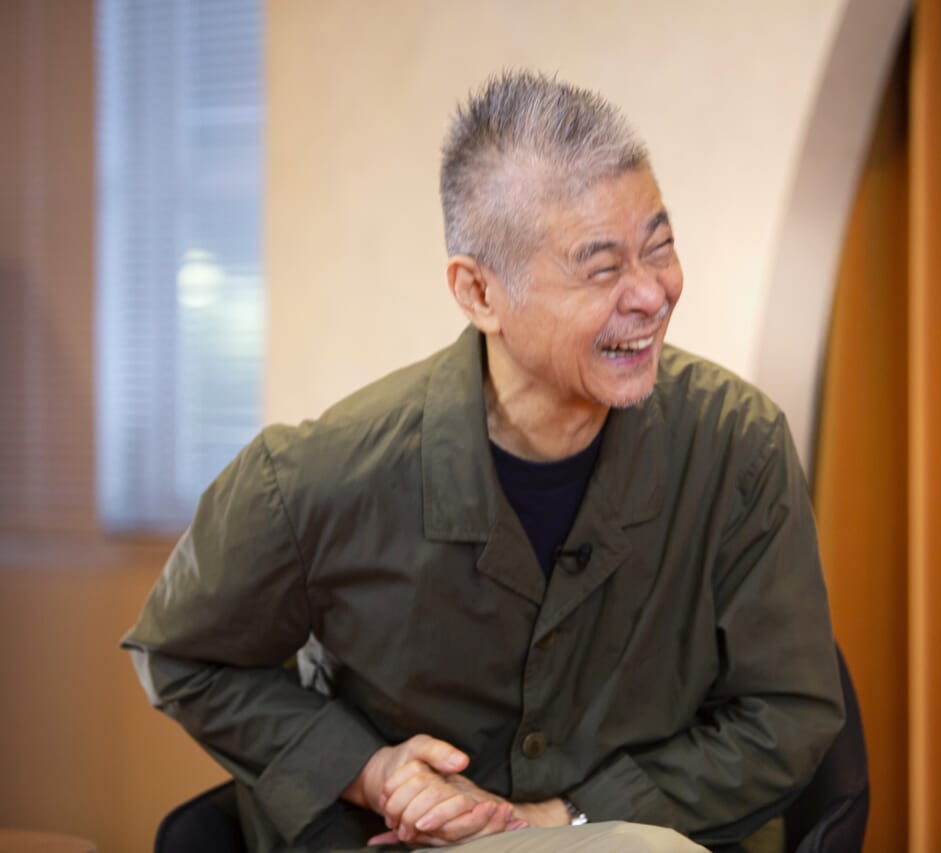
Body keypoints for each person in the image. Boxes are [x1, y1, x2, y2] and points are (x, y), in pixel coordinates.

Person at [124, 71, 845, 853]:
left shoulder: (739, 448)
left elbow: (789, 713)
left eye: (659, 247)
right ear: (478, 292)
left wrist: (563, 819)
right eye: (602, 267)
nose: (651, 292)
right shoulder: (318, 477)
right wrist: (371, 770)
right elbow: (184, 653)